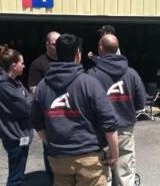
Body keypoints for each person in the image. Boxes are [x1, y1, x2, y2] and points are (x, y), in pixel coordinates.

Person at [31, 33, 119, 186]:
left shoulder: (42, 86)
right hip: (89, 159)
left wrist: (51, 144)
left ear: (56, 53)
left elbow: (37, 122)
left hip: (59, 160)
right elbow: (109, 122)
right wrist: (114, 153)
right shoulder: (90, 83)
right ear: (78, 54)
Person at [88, 34, 146, 186]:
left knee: (102, 173)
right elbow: (141, 102)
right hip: (125, 130)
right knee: (125, 172)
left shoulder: (92, 75)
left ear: (100, 48)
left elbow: (85, 105)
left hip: (100, 131)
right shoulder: (131, 73)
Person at [0, 44, 33, 186]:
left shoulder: (13, 82)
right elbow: (26, 107)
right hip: (15, 135)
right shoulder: (4, 86)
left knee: (18, 173)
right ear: (14, 66)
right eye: (22, 63)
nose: (24, 66)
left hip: (19, 133)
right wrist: (35, 93)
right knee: (16, 177)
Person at [28, 31, 60, 183]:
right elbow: (33, 89)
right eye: (55, 44)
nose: (59, 47)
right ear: (47, 45)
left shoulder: (66, 59)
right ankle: (51, 179)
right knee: (50, 151)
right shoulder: (39, 64)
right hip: (49, 117)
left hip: (67, 113)